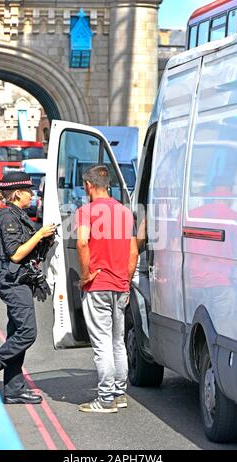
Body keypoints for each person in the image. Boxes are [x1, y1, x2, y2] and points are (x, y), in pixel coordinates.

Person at [0, 171, 56, 405]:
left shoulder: (18, 215)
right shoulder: (8, 217)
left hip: (20, 280)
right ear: (17, 193)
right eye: (28, 191)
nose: (32, 194)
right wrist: (38, 234)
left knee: (16, 333)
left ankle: (14, 390)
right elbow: (16, 254)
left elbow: (28, 250)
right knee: (27, 333)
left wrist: (44, 239)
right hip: (13, 281)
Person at [75, 165, 138, 413]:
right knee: (117, 342)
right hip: (121, 284)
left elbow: (82, 243)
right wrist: (126, 280)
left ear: (89, 186)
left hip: (97, 284)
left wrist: (85, 275)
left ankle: (104, 399)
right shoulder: (125, 212)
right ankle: (120, 394)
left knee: (101, 343)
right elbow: (133, 252)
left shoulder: (86, 212)